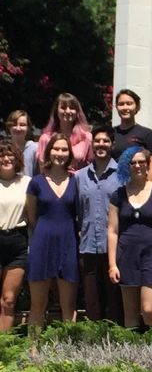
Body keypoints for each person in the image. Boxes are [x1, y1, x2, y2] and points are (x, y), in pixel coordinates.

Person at [108, 147, 152, 331]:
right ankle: (133, 355)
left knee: (149, 309)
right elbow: (112, 231)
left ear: (148, 165)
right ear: (127, 166)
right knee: (130, 313)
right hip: (126, 255)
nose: (137, 166)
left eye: (141, 162)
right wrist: (112, 264)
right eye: (133, 162)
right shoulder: (118, 195)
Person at [26, 134, 80, 327]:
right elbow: (31, 216)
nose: (60, 153)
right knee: (38, 305)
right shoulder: (36, 182)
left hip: (68, 243)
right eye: (56, 149)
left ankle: (67, 350)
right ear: (49, 152)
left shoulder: (76, 181)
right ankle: (33, 350)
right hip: (42, 242)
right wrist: (43, 231)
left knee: (68, 305)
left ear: (70, 153)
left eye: (64, 149)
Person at [76, 125, 123, 324]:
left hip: (114, 247)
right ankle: (94, 344)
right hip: (88, 245)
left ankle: (117, 343)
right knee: (92, 300)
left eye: (105, 141)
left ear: (112, 144)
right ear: (92, 144)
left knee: (115, 299)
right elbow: (78, 210)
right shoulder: (80, 176)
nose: (101, 144)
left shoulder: (122, 174)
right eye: (97, 141)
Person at [0, 139, 31, 331]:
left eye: (9, 154)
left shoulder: (26, 183)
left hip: (18, 242)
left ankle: (2, 347)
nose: (5, 158)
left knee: (9, 300)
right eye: (1, 155)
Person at [111, 89, 152, 182]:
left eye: (129, 103)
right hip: (113, 186)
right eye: (121, 104)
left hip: (138, 187)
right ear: (116, 107)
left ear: (137, 107)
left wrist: (149, 190)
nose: (125, 107)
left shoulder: (147, 133)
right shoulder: (110, 133)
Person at [36, 93, 93, 172]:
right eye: (63, 107)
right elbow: (43, 169)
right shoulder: (46, 138)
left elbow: (89, 166)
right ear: (56, 111)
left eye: (72, 108)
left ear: (77, 112)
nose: (68, 111)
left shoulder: (86, 137)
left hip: (77, 182)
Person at [5, 110, 39, 176]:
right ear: (9, 127)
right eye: (14, 125)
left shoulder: (34, 149)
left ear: (28, 128)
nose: (18, 128)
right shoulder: (3, 148)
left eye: (22, 125)